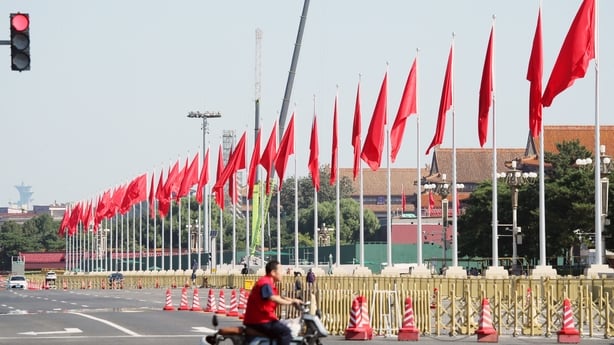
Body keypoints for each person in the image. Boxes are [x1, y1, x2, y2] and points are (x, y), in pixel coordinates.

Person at [243, 260, 302, 345]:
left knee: (286, 325)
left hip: (264, 318)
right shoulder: (265, 283)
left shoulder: (269, 283)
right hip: (260, 319)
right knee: (285, 332)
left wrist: (294, 300)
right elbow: (272, 297)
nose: (283, 273)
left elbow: (280, 297)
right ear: (273, 272)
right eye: (281, 271)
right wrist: (291, 303)